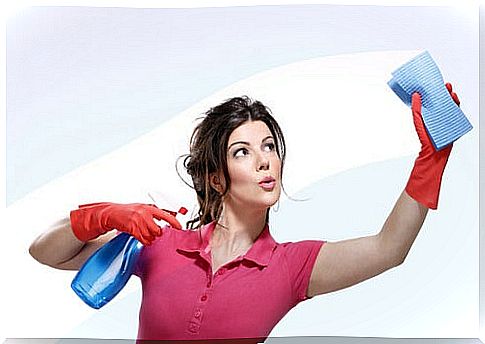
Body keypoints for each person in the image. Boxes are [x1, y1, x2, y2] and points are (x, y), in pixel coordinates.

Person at [29, 84, 461, 343]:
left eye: (269, 146)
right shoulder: (161, 243)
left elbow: (390, 248)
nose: (264, 161)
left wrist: (430, 161)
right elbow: (45, 251)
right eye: (243, 152)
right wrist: (103, 215)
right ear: (217, 179)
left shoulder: (291, 267)